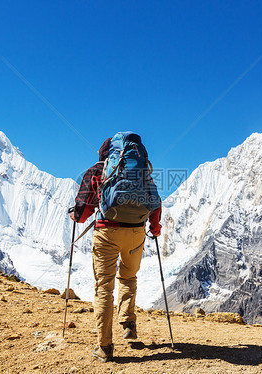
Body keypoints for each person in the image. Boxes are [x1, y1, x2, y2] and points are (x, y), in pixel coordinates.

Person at [70, 137, 162, 362]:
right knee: (129, 277)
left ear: (107, 154)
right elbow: (156, 202)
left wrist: (75, 214)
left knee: (104, 288)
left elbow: (82, 214)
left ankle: (104, 347)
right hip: (136, 233)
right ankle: (128, 324)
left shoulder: (97, 171)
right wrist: (155, 228)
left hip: (107, 233)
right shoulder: (143, 173)